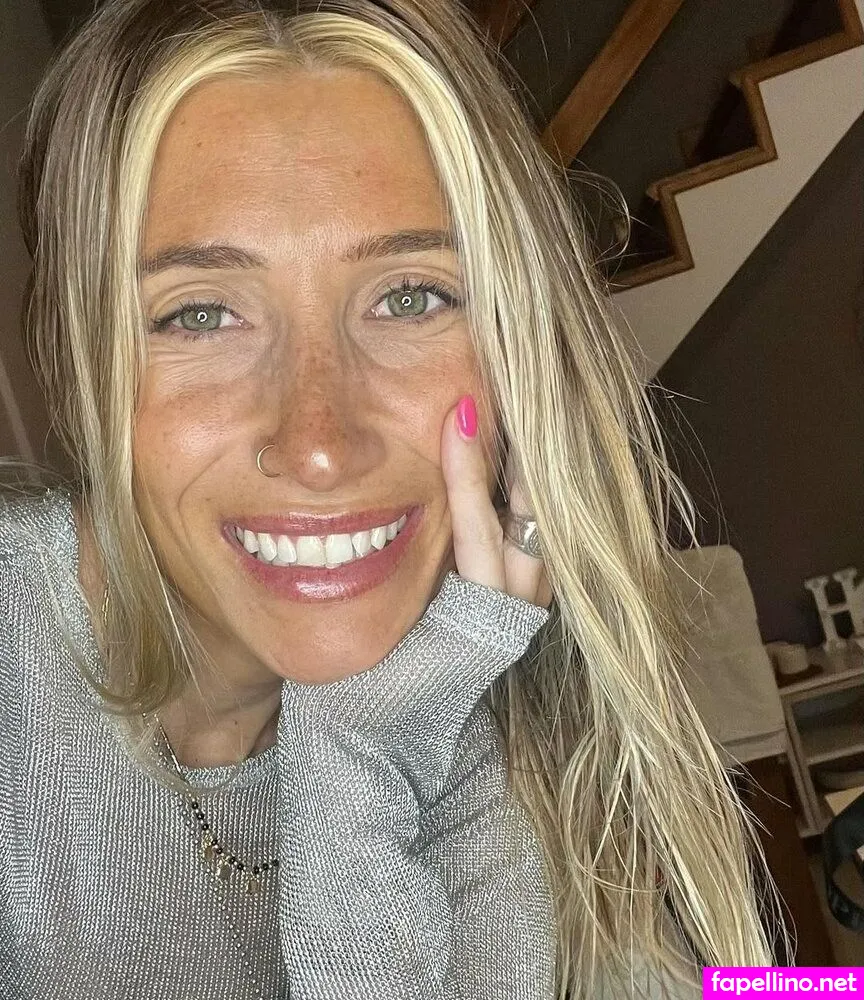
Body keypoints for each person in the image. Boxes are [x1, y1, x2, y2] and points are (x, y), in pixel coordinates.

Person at [0, 0, 786, 996]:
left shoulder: (460, 705)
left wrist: (369, 742)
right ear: (82, 365)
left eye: (408, 297)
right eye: (199, 314)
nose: (320, 444)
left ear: (515, 350)